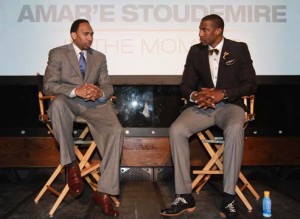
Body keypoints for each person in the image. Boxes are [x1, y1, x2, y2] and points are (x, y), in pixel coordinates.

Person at [160, 14, 257, 218]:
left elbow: (251, 84)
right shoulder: (195, 51)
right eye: (200, 29)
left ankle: (229, 198)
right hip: (203, 107)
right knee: (176, 130)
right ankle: (185, 196)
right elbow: (184, 86)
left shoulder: (239, 49)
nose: (200, 33)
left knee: (234, 129)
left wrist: (223, 93)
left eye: (204, 30)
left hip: (229, 106)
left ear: (218, 31)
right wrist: (196, 95)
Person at [43, 19, 123, 217]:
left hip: (95, 105)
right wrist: (74, 90)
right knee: (58, 104)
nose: (90, 38)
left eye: (92, 34)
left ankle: (104, 192)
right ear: (73, 35)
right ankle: (71, 164)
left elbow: (108, 86)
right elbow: (49, 85)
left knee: (117, 131)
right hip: (69, 101)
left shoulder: (100, 57)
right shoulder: (58, 53)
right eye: (86, 34)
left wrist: (99, 92)